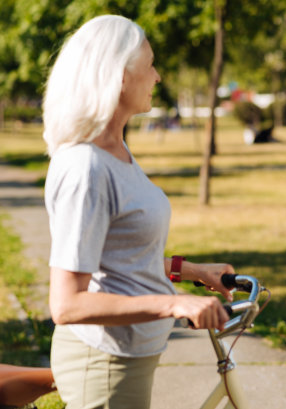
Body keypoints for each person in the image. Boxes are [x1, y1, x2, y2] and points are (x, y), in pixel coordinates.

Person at [42, 15, 233, 409]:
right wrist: (174, 302)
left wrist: (193, 272)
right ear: (120, 76)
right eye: (149, 65)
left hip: (130, 356)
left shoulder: (117, 153)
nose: (158, 77)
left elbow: (118, 258)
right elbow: (67, 304)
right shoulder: (86, 167)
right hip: (106, 362)